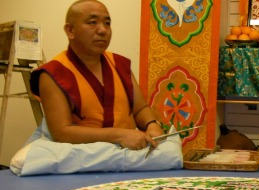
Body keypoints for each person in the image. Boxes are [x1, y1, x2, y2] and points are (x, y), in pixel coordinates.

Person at [30, 0, 163, 151]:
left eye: (107, 23)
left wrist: (151, 124)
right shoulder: (53, 72)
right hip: (83, 155)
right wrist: (119, 136)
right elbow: (62, 132)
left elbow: (140, 109)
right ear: (70, 30)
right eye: (93, 22)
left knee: (172, 153)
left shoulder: (120, 64)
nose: (102, 30)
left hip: (127, 152)